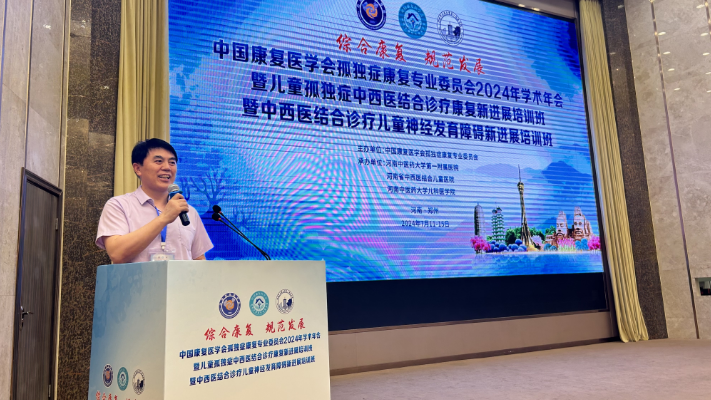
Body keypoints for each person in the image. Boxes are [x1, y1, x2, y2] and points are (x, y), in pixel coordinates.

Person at [96, 138, 213, 263]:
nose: (167, 167)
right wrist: (164, 218)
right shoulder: (119, 205)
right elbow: (116, 254)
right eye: (158, 161)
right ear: (138, 168)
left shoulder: (188, 212)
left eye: (172, 162)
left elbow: (199, 259)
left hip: (181, 277)